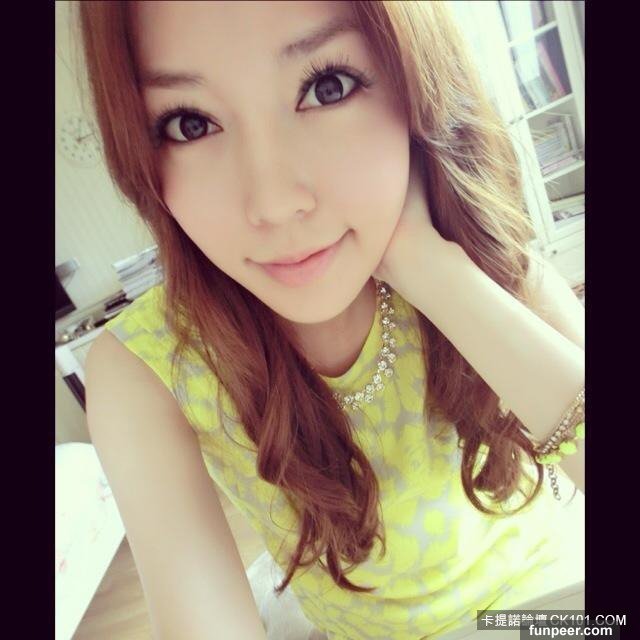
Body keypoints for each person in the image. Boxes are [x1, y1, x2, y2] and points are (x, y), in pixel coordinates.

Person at [79, 2, 585, 639]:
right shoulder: (147, 366)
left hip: (559, 610)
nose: (273, 204)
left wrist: (431, 271)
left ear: (416, 83)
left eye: (328, 86)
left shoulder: (474, 251)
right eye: (189, 123)